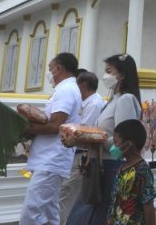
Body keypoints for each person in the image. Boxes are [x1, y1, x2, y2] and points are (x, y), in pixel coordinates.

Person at [67, 53, 142, 225]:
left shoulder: (125, 100)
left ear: (121, 75)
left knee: (92, 217)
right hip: (99, 165)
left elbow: (123, 145)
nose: (105, 76)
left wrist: (97, 137)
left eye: (109, 71)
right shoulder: (113, 100)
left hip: (111, 168)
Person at [20, 53, 82, 225]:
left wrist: (24, 128)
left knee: (30, 214)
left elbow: (55, 126)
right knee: (49, 213)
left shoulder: (66, 90)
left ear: (58, 68)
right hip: (49, 159)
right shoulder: (64, 90)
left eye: (50, 68)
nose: (49, 72)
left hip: (51, 160)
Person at [59, 71, 105, 224]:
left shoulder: (94, 103)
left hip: (82, 154)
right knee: (67, 192)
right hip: (76, 152)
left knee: (68, 192)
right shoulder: (87, 102)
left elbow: (80, 130)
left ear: (83, 86)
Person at [106, 119, 156, 224]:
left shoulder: (142, 170)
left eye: (115, 142)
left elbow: (148, 205)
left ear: (127, 144)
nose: (113, 147)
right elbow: (115, 201)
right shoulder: (122, 167)